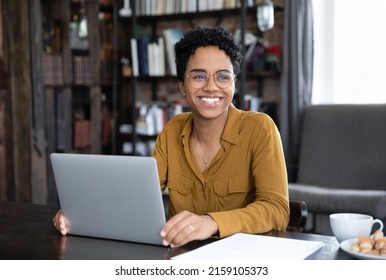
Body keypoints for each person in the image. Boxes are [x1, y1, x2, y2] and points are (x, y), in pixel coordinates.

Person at [53, 26, 289, 248]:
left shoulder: (260, 129)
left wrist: (212, 222)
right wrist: (82, 213)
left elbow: (277, 210)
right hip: (178, 257)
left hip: (241, 259)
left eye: (223, 77)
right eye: (198, 76)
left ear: (234, 84)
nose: (211, 87)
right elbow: (133, 198)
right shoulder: (172, 130)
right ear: (182, 87)